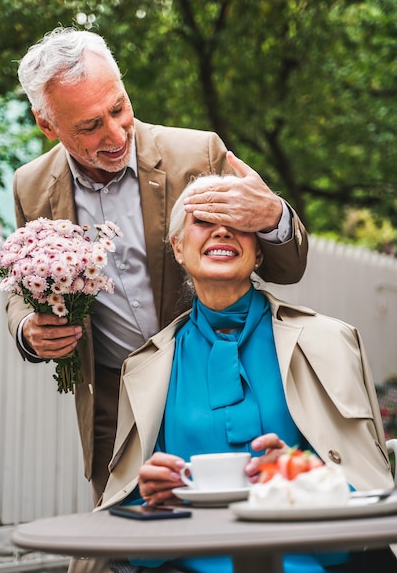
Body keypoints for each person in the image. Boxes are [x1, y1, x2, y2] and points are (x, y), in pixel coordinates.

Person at [6, 27, 308, 504]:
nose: (115, 133)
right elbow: (25, 285)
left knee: (228, 530)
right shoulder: (30, 186)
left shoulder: (199, 154)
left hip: (216, 382)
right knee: (130, 544)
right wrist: (27, 328)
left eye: (119, 108)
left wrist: (273, 217)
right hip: (114, 402)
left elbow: (285, 269)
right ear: (48, 125)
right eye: (89, 126)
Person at [94, 173, 396, 573]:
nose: (222, 229)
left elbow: (370, 495)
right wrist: (149, 501)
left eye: (239, 222)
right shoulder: (144, 367)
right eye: (203, 219)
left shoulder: (331, 342)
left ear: (258, 253)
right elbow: (129, 537)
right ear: (178, 247)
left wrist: (303, 477)